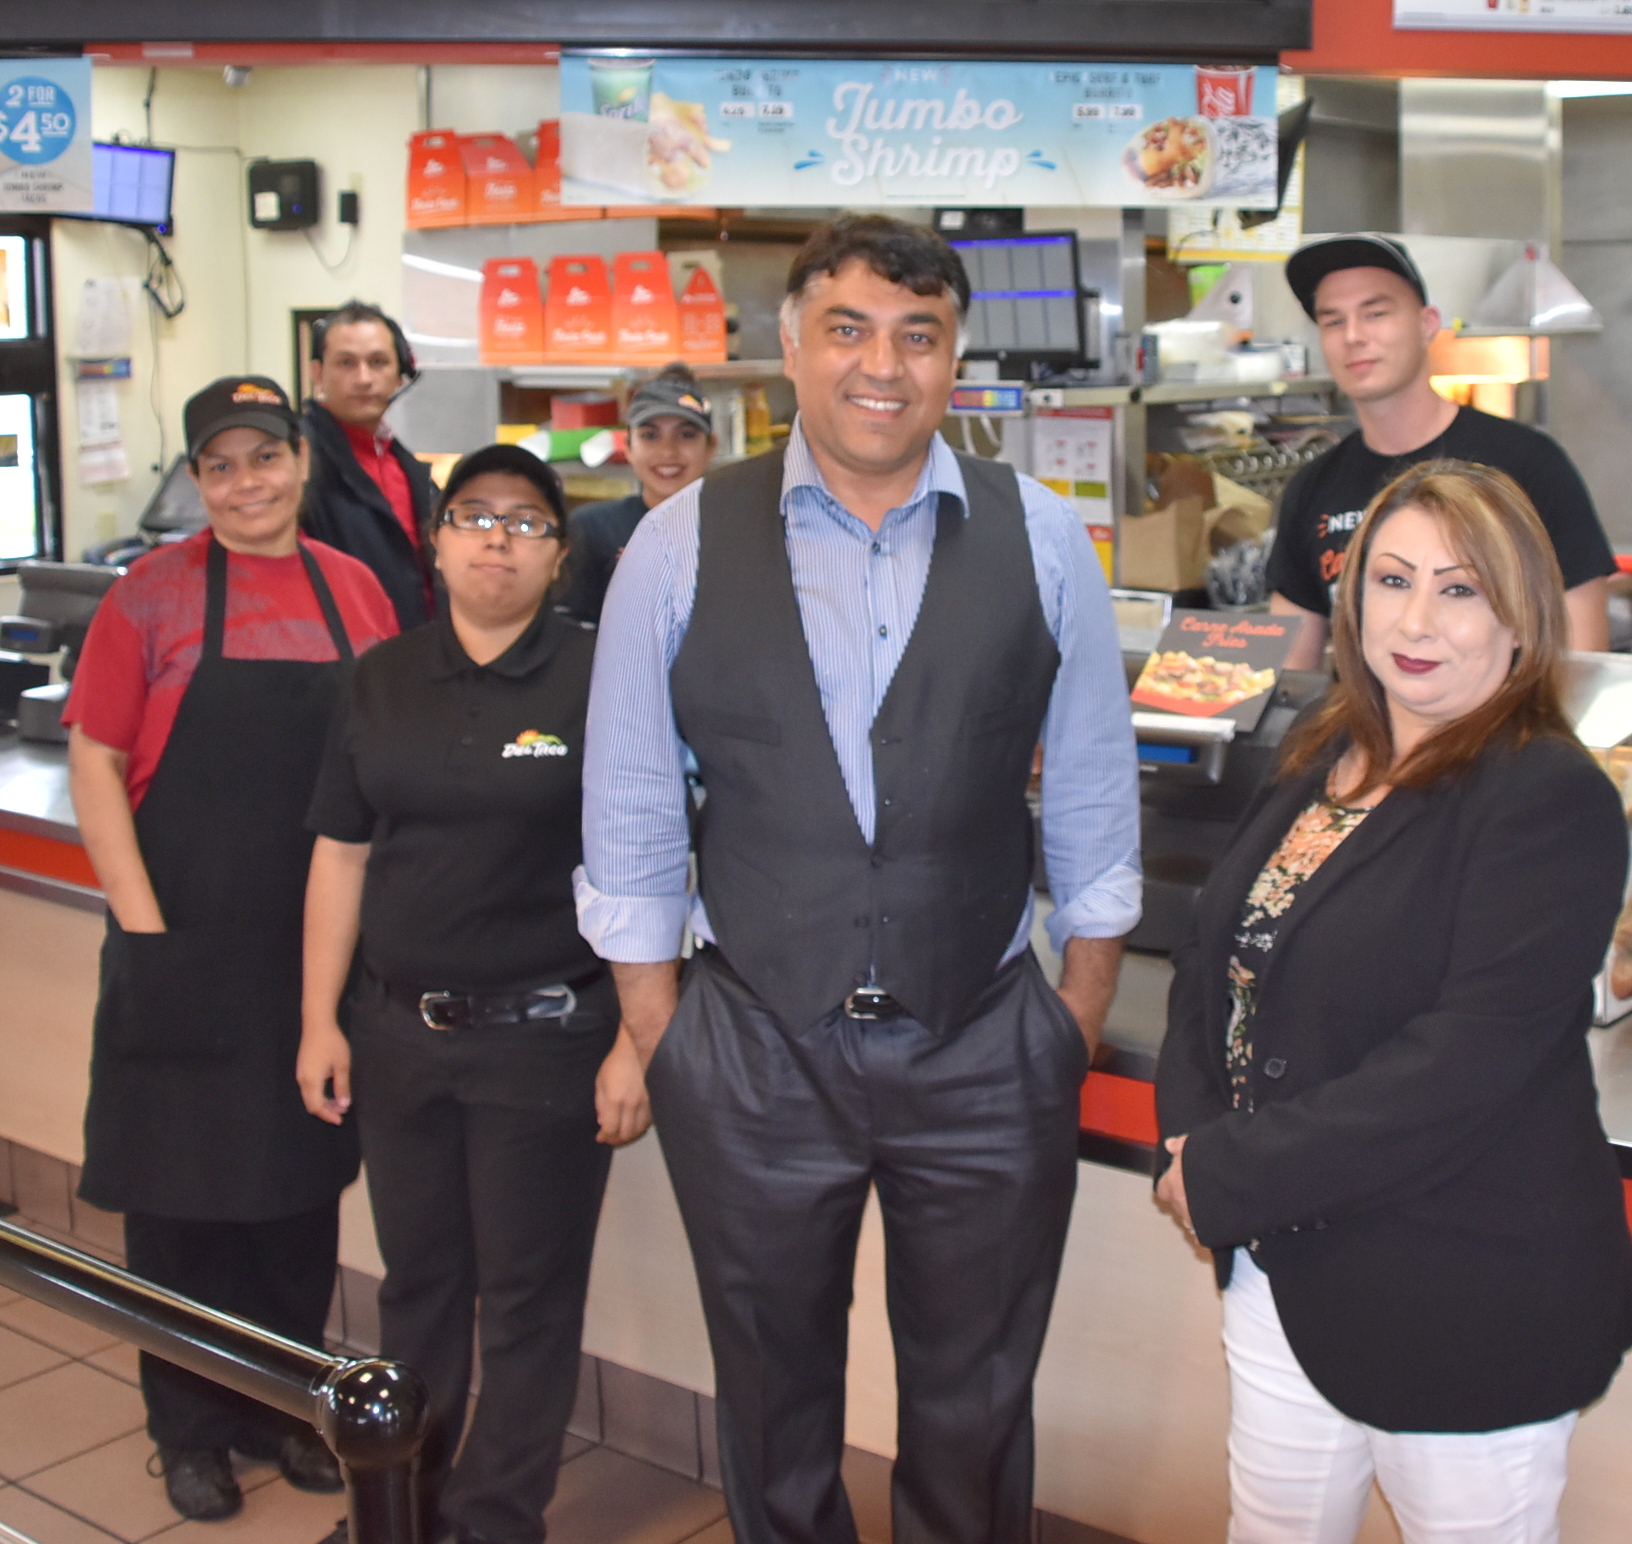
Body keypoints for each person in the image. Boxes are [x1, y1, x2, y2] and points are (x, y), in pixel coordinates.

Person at [579, 214, 1140, 1543]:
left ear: (955, 360)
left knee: (977, 1397)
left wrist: (1072, 1010)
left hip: (985, 1036)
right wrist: (662, 1028)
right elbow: (632, 795)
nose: (881, 365)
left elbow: (1092, 781)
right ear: (791, 347)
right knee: (772, 1395)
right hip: (753, 1041)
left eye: (916, 335)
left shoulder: (1044, 535)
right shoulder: (679, 542)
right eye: (848, 329)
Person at [1155, 459, 1632, 1544]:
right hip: (1282, 1269)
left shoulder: (1547, 795)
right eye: (1391, 579)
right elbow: (1212, 956)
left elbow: (1461, 1064)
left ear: (1519, 616)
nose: (1416, 620)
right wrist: (1189, 1135)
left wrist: (1228, 1172)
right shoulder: (1325, 750)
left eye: (1460, 589)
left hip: (1461, 1291)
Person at [62, 376, 398, 1522]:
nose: (246, 482)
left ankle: (280, 1406)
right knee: (180, 1207)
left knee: (296, 1198)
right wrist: (145, 927)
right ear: (197, 479)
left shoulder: (353, 589)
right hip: (183, 940)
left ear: (301, 459)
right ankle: (189, 1427)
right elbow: (97, 760)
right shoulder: (149, 596)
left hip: (314, 955)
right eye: (221, 465)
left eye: (264, 456)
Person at [295, 444, 614, 1544]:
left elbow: (649, 860)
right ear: (434, 542)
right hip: (397, 1034)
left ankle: (493, 1517)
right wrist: (319, 1019)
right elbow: (342, 852)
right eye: (474, 515)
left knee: (527, 1298)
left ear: (558, 556)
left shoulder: (603, 674)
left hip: (547, 1039)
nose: (497, 539)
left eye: (526, 522)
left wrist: (638, 1038)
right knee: (417, 1285)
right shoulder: (381, 675)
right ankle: (402, 1504)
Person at [1267, 233, 1617, 671]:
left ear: (1427, 324)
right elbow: (1290, 672)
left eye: (1376, 313)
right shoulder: (1311, 490)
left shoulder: (1528, 464)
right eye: (1333, 322)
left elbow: (1581, 657)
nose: (1353, 336)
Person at [302, 301, 436, 631]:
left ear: (400, 373)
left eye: (378, 362)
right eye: (346, 363)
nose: (363, 379)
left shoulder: (404, 465)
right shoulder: (299, 464)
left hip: (414, 647)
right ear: (318, 373)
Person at [558, 365, 717, 626]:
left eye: (686, 435)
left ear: (711, 447)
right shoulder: (593, 528)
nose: (667, 452)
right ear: (628, 447)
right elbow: (574, 630)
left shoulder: (737, 530)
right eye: (650, 435)